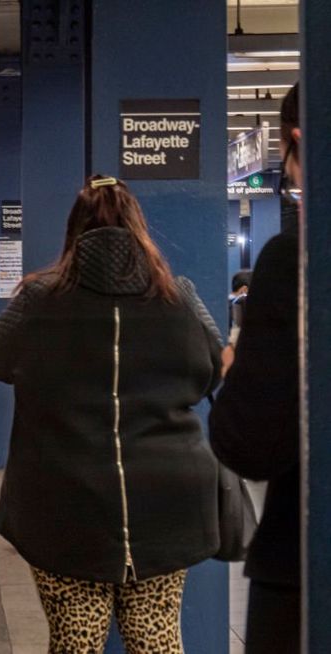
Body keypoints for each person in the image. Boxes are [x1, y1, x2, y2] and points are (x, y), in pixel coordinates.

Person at [0, 175, 222, 653]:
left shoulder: (38, 299)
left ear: (74, 232)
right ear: (138, 229)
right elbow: (213, 367)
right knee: (156, 641)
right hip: (166, 504)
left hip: (63, 506)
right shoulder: (181, 297)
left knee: (77, 642)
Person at [209, 83, 301, 654]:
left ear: (298, 139)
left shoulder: (295, 260)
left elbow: (251, 445)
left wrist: (237, 370)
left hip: (304, 569)